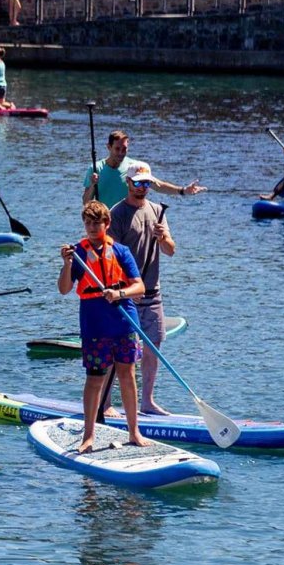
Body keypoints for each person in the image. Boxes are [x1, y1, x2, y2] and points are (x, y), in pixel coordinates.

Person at [58, 200, 150, 453]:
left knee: (127, 376)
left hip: (123, 323)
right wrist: (66, 264)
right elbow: (65, 289)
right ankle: (88, 436)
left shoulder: (121, 251)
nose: (91, 227)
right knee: (94, 380)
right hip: (95, 327)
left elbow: (139, 287)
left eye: (96, 223)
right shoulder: (77, 253)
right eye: (87, 223)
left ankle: (134, 432)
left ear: (106, 224)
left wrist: (119, 294)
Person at [109, 162, 178, 416]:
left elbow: (170, 251)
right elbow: (110, 254)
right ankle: (106, 404)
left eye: (146, 183)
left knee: (154, 346)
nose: (142, 188)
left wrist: (163, 238)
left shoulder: (158, 211)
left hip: (153, 292)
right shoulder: (117, 214)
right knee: (122, 351)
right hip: (126, 294)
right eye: (138, 183)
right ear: (128, 183)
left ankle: (147, 402)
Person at [84, 130, 205, 208]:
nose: (121, 153)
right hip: (105, 224)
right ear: (109, 147)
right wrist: (93, 185)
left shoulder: (134, 167)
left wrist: (183, 190)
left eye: (124, 149)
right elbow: (86, 202)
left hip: (128, 221)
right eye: (117, 148)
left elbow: (158, 185)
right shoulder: (96, 168)